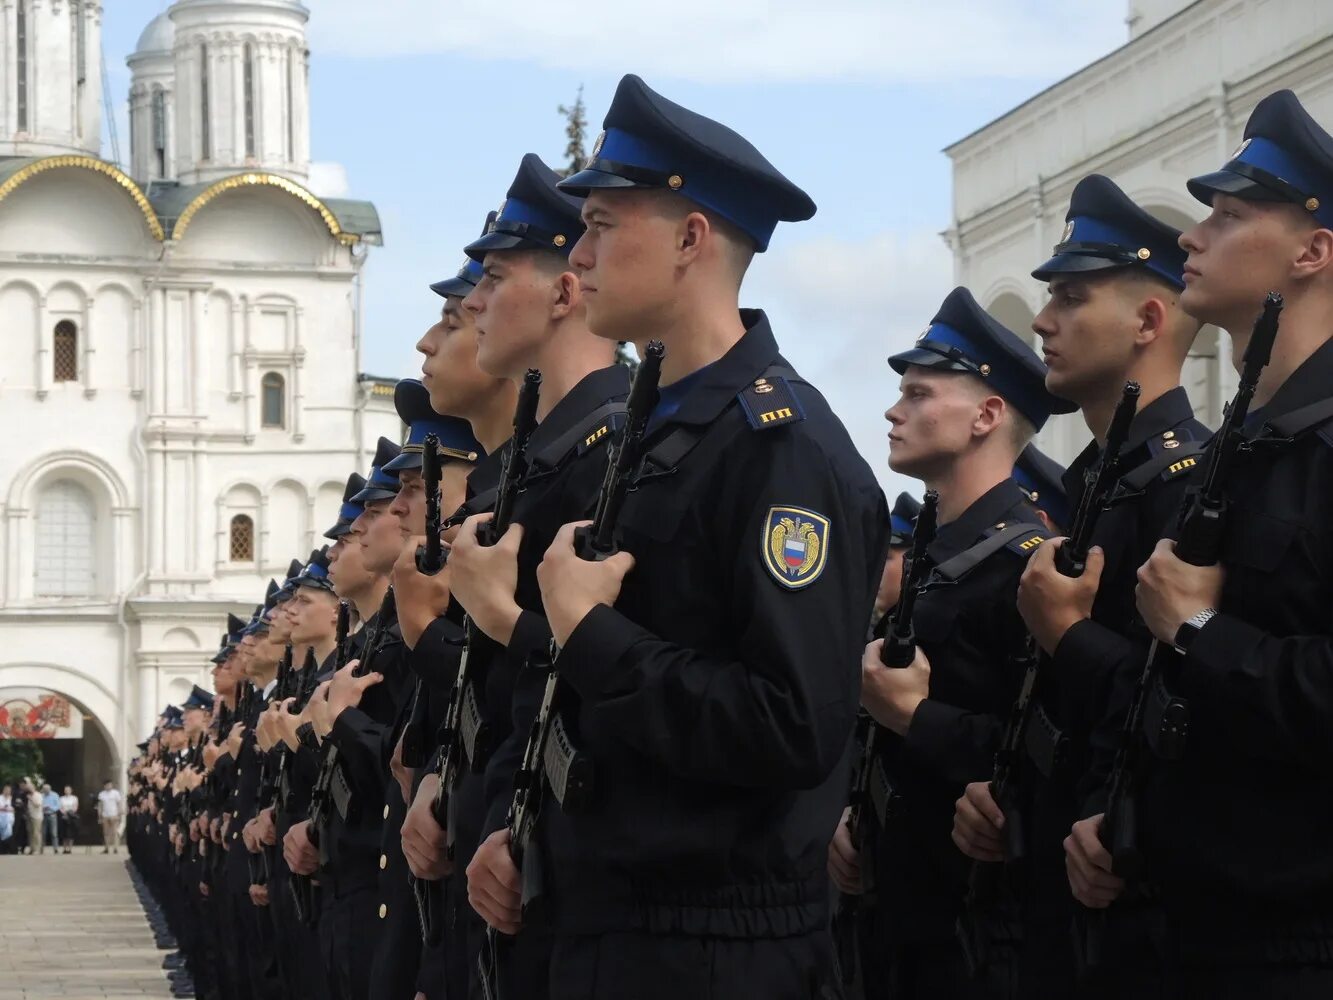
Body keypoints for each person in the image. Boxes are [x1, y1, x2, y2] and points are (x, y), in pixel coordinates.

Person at [465, 73, 888, 998]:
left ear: (691, 237)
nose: (576, 254)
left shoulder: (781, 447)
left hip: (719, 950)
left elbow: (790, 725)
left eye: (604, 226)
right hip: (615, 922)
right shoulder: (656, 435)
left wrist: (590, 635)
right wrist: (526, 822)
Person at [1068, 88, 1333, 997]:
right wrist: (1119, 822)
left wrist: (1201, 632)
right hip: (1187, 927)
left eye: (1226, 216)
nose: (1190, 234)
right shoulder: (1239, 447)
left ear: (1310, 251)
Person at [951, 174, 1210, 998]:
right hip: (1054, 902)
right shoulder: (1089, 485)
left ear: (1146, 320)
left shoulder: (1191, 488)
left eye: (1070, 297)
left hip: (1149, 913)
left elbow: (1198, 708)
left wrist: (1070, 636)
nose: (1040, 322)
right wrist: (1008, 795)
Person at [850, 286, 1071, 1000]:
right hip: (899, 919)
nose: (893, 410)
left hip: (984, 934)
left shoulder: (1029, 566)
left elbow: (1050, 759)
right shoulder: (931, 556)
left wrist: (916, 718)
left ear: (984, 415)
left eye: (917, 393)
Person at [58, 785, 79, 854]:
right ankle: (64, 848)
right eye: (66, 790)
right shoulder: (61, 798)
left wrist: (70, 812)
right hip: (64, 817)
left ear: (71, 791)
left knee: (71, 834)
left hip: (72, 817)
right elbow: (60, 807)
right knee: (64, 833)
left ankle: (70, 848)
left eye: (68, 790)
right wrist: (65, 813)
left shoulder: (74, 798)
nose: (67, 791)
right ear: (64, 791)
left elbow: (75, 807)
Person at [39, 782, 58, 854]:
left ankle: (55, 848)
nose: (46, 790)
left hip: (52, 815)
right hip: (43, 815)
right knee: (43, 833)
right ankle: (41, 849)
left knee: (54, 833)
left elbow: (58, 805)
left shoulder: (55, 795)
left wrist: (51, 808)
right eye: (44, 789)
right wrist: (43, 808)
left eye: (47, 789)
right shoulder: (41, 796)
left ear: (50, 789)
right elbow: (39, 804)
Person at [0, 784, 13, 851]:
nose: (8, 792)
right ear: (3, 790)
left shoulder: (11, 798)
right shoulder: (0, 798)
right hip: (1, 818)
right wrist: (6, 808)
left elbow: (13, 809)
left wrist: (6, 808)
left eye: (9, 790)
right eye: (6, 790)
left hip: (9, 818)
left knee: (8, 833)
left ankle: (6, 849)